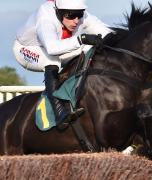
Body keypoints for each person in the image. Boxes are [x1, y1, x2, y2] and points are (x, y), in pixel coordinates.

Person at [13, 0, 113, 128]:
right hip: (26, 49)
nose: (76, 21)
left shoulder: (77, 15)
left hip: (54, 49)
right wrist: (82, 38)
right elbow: (52, 48)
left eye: (79, 15)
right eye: (71, 16)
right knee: (52, 60)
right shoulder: (46, 18)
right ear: (59, 13)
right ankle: (59, 112)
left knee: (87, 50)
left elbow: (108, 33)